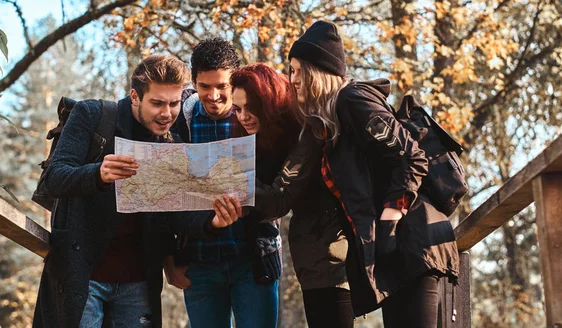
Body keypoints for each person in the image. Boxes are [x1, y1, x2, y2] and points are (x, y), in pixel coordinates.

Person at [33, 55, 242, 328]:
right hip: (83, 275)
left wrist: (213, 222)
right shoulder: (92, 115)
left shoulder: (173, 143)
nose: (167, 113)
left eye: (174, 103)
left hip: (139, 283)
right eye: (157, 103)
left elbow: (175, 215)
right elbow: (54, 178)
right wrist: (97, 174)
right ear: (135, 96)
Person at [286, 20, 460, 327]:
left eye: (297, 69)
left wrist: (390, 218)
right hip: (395, 254)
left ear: (316, 71)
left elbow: (411, 157)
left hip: (413, 241)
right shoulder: (333, 118)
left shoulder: (352, 99)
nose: (293, 78)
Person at [166, 39, 281, 328]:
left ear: (236, 81)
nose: (214, 95)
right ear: (193, 82)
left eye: (222, 86)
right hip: (200, 263)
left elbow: (282, 186)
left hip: (253, 259)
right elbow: (165, 194)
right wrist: (169, 258)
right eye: (205, 86)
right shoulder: (180, 121)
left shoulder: (258, 117)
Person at [231, 64, 354, 328]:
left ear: (269, 102)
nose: (243, 116)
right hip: (312, 255)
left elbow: (278, 199)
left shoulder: (304, 129)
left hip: (335, 252)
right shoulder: (261, 140)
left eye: (250, 107)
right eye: (237, 108)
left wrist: (233, 185)